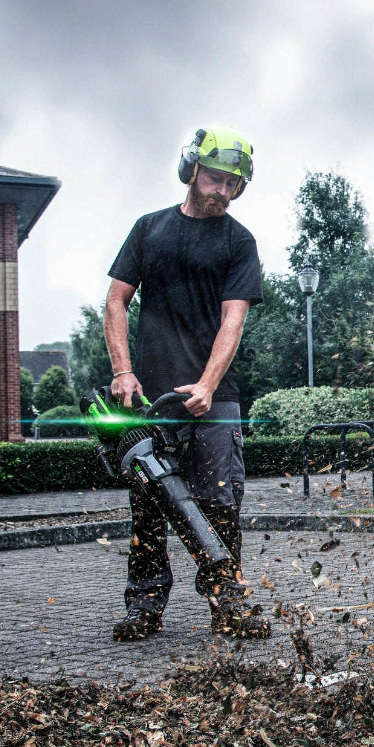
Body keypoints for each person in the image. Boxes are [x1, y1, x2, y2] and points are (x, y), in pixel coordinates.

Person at [102, 126, 267, 642]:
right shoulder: (149, 230)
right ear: (191, 170)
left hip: (215, 397)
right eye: (216, 178)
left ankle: (228, 603)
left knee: (220, 501)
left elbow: (232, 321)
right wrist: (123, 370)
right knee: (148, 505)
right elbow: (115, 302)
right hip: (151, 398)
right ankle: (144, 605)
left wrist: (207, 384)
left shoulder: (240, 242)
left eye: (233, 185)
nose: (223, 191)